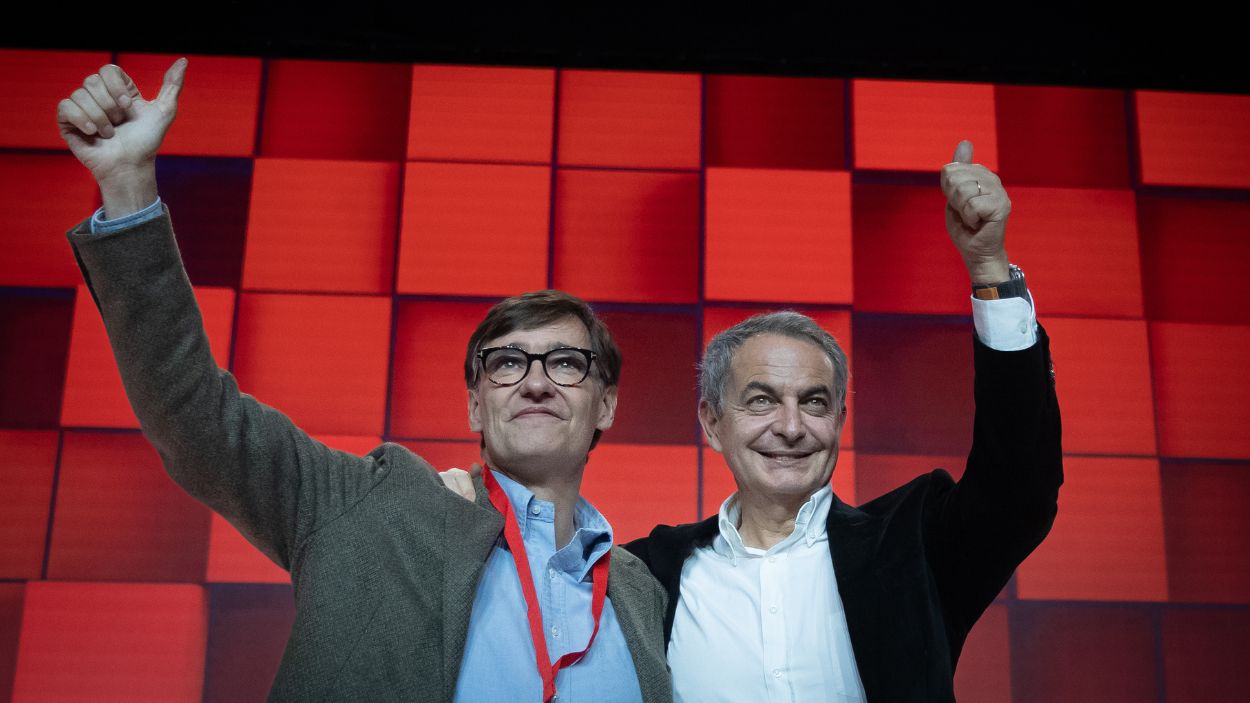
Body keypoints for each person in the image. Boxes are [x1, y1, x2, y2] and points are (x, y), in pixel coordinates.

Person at [56, 59, 670, 702]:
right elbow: (195, 415)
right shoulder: (366, 506)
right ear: (474, 404)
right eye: (508, 363)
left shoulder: (639, 591)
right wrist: (127, 186)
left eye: (567, 363)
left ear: (607, 405)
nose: (536, 383)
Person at [618, 142, 1063, 702]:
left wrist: (989, 269)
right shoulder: (641, 577)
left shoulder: (915, 549)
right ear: (712, 422)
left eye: (814, 402)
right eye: (760, 401)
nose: (790, 426)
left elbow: (1020, 486)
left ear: (841, 420)